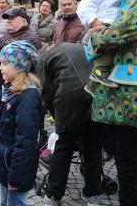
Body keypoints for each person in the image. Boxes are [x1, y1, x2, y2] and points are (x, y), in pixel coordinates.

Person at [84, 0, 137, 206]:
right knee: (125, 160)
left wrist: (93, 40)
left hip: (131, 98)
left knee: (128, 164)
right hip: (122, 95)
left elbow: (121, 32)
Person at [38, 43, 103, 206]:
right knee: (93, 147)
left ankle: (53, 195)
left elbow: (46, 91)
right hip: (97, 93)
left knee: (64, 146)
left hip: (70, 98)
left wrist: (56, 116)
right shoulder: (81, 46)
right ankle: (93, 194)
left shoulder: (43, 58)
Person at [0, 41, 43, 206]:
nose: (0, 67)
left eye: (5, 64)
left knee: (16, 202)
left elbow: (26, 140)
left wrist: (17, 177)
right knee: (4, 201)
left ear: (19, 67)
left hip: (15, 165)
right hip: (5, 160)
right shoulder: (10, 89)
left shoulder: (27, 98)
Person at [77, 0, 123, 95]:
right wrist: (94, 21)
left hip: (113, 24)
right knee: (108, 47)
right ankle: (99, 71)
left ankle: (92, 84)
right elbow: (83, 9)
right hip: (101, 25)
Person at [0, 8, 41, 92]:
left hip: (15, 87)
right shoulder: (5, 36)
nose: (8, 20)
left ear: (24, 21)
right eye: (8, 18)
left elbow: (21, 63)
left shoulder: (30, 39)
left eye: (12, 18)